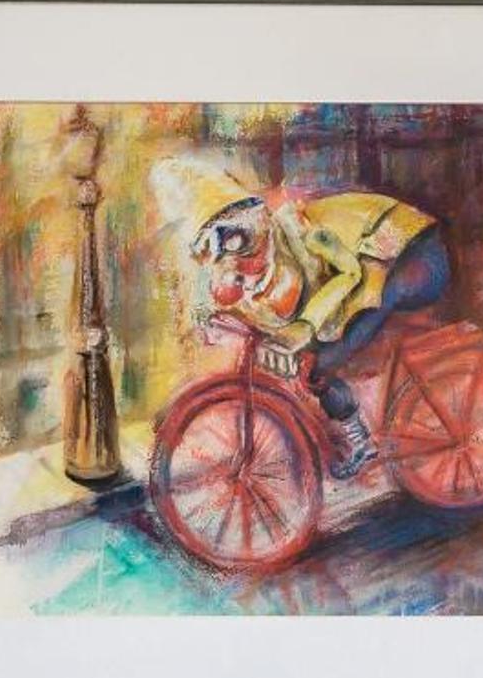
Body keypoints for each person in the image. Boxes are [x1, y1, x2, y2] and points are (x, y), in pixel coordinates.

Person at [169, 165, 452, 473]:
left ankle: (362, 442)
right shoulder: (257, 261)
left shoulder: (306, 231)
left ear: (257, 221)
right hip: (379, 266)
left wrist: (304, 328)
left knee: (321, 362)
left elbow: (351, 274)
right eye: (213, 250)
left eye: (237, 240)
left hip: (413, 254)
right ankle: (361, 438)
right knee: (313, 363)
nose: (238, 265)